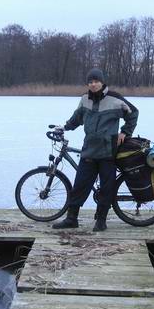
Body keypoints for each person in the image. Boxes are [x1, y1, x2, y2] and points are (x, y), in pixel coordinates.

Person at [52, 68, 139, 231]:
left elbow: (133, 113)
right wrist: (64, 127)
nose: (93, 84)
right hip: (89, 151)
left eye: (96, 81)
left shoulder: (115, 98)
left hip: (108, 152)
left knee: (107, 187)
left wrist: (125, 132)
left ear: (102, 82)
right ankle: (72, 218)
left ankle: (101, 220)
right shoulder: (85, 99)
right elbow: (77, 118)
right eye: (90, 82)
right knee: (79, 186)